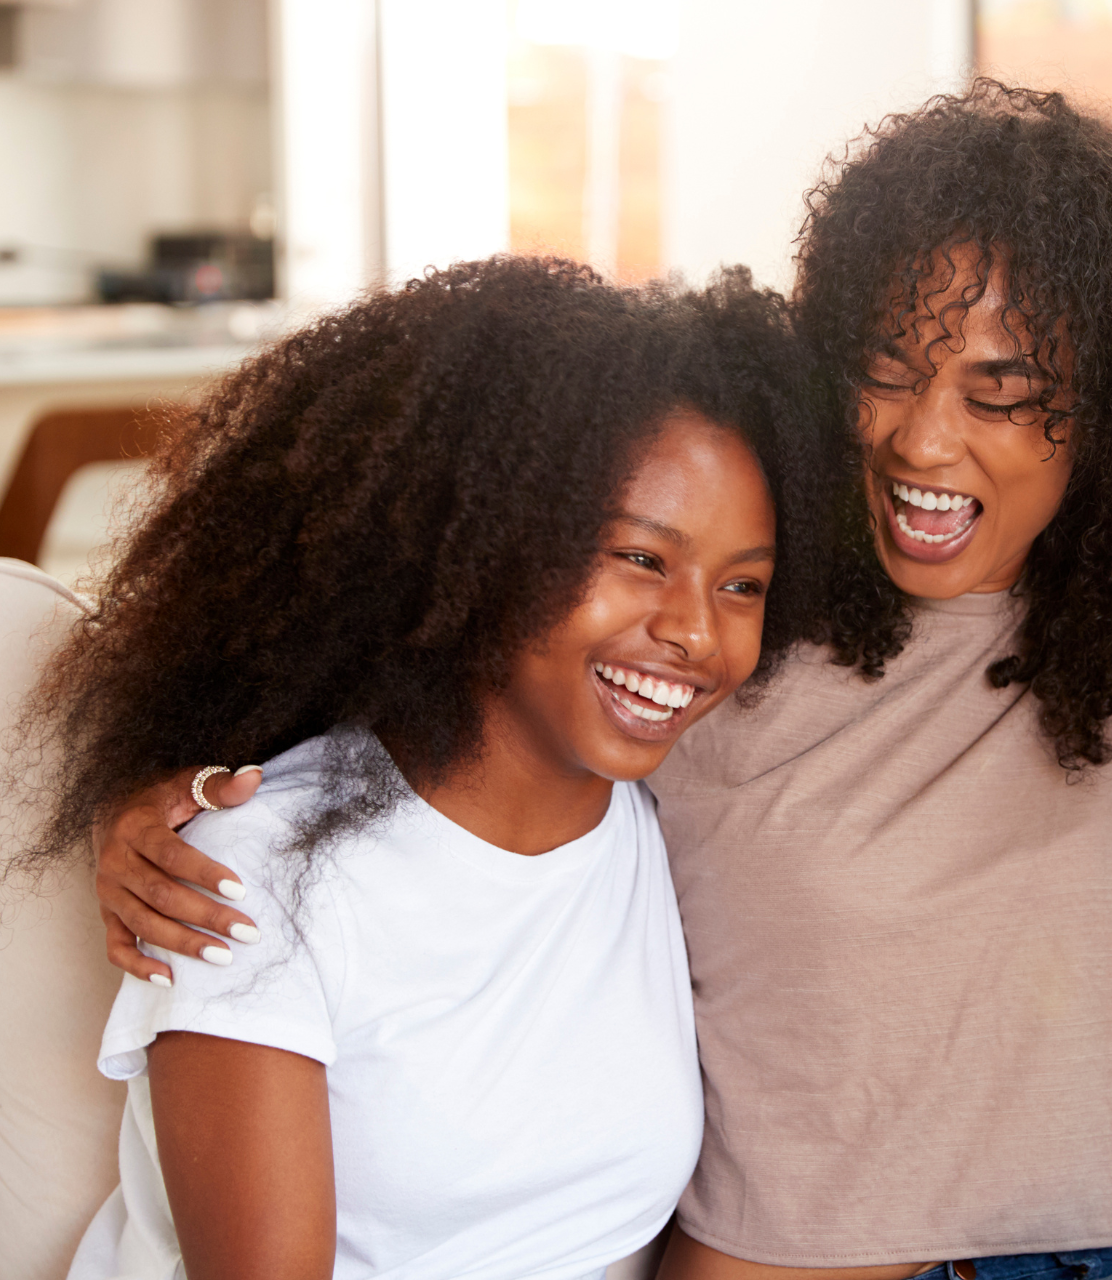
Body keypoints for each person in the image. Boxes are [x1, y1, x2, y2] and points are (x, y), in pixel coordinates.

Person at [79, 82, 1112, 1280]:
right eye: (887, 366)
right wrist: (155, 779)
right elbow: (392, 659)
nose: (925, 440)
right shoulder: (716, 648)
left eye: (1005, 394)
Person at [18, 257, 839, 1279]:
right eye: (639, 557)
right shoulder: (252, 873)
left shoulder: (673, 819)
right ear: (488, 539)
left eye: (744, 584)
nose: (694, 631)